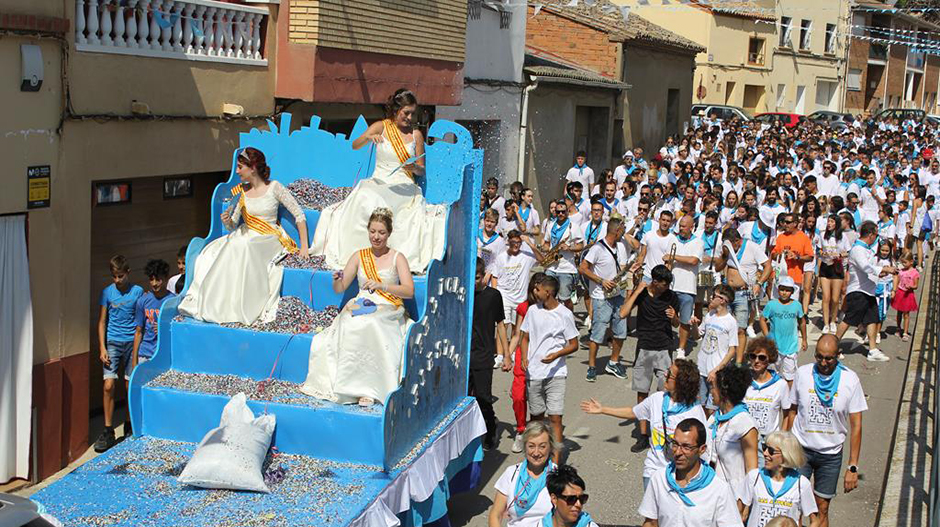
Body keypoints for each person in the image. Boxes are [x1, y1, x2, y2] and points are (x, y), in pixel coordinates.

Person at [311, 89, 447, 272]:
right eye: (406, 112)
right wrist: (369, 137)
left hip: (404, 184)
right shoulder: (381, 126)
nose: (409, 117)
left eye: (412, 113)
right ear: (396, 110)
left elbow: (422, 170)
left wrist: (413, 167)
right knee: (365, 197)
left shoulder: (416, 135)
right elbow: (355, 144)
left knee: (401, 209)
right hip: (379, 181)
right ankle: (358, 255)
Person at [179, 147, 309, 325]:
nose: (237, 171)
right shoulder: (241, 192)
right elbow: (233, 224)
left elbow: (299, 215)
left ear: (253, 167)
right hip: (245, 235)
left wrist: (304, 246)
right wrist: (226, 220)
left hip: (268, 238)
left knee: (243, 245)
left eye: (240, 167)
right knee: (222, 248)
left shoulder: (274, 187)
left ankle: (245, 307)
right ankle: (220, 305)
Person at [301, 208, 414, 406]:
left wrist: (382, 286)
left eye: (381, 232)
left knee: (372, 323)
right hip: (362, 303)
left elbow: (408, 291)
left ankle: (369, 389)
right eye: (373, 231)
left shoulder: (398, 257)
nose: (376, 237)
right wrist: (337, 280)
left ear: (389, 233)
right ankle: (347, 388)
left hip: (388, 305)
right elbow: (340, 288)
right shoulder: (359, 255)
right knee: (350, 321)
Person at [581, 359, 706, 490]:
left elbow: (702, 451)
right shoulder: (657, 399)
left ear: (681, 384)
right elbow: (633, 412)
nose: (665, 375)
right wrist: (603, 409)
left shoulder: (695, 413)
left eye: (670, 375)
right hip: (653, 470)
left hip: (680, 475)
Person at [784, 334, 867, 527]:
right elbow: (792, 411)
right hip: (800, 450)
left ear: (838, 355)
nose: (823, 362)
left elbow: (856, 425)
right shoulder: (802, 374)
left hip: (830, 455)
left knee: (822, 507)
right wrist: (784, 446)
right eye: (818, 356)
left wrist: (852, 466)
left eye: (828, 358)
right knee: (792, 504)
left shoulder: (850, 380)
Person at [619, 264, 681, 452]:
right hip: (645, 347)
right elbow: (623, 313)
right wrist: (637, 291)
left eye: (668, 284)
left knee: (665, 391)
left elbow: (678, 324)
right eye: (663, 285)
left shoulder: (672, 296)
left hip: (664, 348)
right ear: (654, 282)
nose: (667, 288)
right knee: (642, 391)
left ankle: (663, 432)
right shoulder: (644, 294)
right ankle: (643, 435)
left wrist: (674, 317)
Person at [638, 418, 744, 527]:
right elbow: (651, 522)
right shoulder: (659, 479)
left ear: (702, 449)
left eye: (686, 447)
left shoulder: (719, 490)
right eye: (675, 444)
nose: (678, 452)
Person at [520, 275, 579, 463]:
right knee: (536, 418)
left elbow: (574, 344)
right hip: (535, 373)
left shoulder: (564, 314)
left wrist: (556, 355)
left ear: (549, 292)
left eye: (538, 290)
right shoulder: (532, 311)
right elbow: (525, 337)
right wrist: (524, 357)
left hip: (556, 373)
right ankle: (536, 456)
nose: (534, 293)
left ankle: (555, 461)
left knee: (555, 418)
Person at [94, 255, 144, 453]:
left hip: (131, 343)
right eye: (114, 276)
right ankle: (108, 429)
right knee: (108, 385)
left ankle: (129, 425)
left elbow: (141, 319)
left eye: (121, 276)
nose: (117, 280)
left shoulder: (138, 292)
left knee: (129, 384)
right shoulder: (107, 292)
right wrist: (102, 347)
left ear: (128, 273)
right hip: (113, 343)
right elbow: (101, 321)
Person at [579, 216, 637, 381]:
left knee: (620, 332)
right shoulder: (597, 248)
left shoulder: (620, 247)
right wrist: (601, 281)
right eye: (623, 230)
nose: (625, 233)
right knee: (597, 334)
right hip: (601, 297)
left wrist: (630, 271)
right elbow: (583, 268)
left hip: (618, 295)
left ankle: (613, 362)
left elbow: (622, 268)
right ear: (617, 230)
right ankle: (591, 366)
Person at [834, 220, 897, 361]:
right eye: (875, 235)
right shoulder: (857, 249)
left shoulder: (866, 249)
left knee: (872, 319)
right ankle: (833, 345)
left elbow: (870, 269)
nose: (876, 238)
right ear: (870, 234)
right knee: (849, 319)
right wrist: (884, 269)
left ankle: (872, 350)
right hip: (858, 291)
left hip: (868, 290)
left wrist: (882, 272)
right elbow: (865, 267)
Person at [736, 431, 818, 527]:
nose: (765, 453)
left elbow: (815, 521)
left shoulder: (801, 484)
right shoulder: (754, 477)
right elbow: (737, 513)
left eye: (771, 450)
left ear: (786, 454)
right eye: (764, 448)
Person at [489, 421, 558, 527]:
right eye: (531, 446)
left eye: (542, 446)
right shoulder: (511, 473)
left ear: (550, 447)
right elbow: (495, 514)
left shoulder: (558, 475)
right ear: (524, 447)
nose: (536, 453)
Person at [507, 274, 547, 453]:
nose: (538, 292)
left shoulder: (551, 308)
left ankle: (535, 430)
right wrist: (507, 355)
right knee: (517, 396)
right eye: (535, 288)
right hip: (522, 356)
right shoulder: (523, 307)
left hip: (541, 358)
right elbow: (517, 334)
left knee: (537, 397)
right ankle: (521, 430)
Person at [471, 258, 508, 450]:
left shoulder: (493, 295)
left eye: (477, 277)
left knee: (483, 397)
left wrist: (507, 355)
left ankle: (491, 430)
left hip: (484, 355)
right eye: (471, 277)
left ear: (484, 275)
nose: (474, 281)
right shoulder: (464, 294)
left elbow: (501, 326)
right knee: (465, 398)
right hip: (464, 356)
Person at [707, 364, 760, 487]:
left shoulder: (745, 423)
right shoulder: (713, 418)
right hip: (710, 492)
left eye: (713, 387)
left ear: (723, 392)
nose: (711, 391)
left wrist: (744, 505)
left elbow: (752, 472)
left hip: (734, 496)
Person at [692, 284, 739, 414]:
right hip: (702, 368)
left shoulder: (731, 322)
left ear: (722, 300)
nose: (710, 298)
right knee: (699, 407)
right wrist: (695, 326)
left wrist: (716, 370)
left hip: (716, 372)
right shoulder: (710, 315)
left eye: (713, 296)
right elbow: (697, 336)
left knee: (712, 408)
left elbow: (732, 350)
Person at [759, 276, 806, 384]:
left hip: (791, 347)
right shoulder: (771, 305)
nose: (784, 292)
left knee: (790, 377)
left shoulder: (797, 305)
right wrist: (767, 337)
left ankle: (789, 398)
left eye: (788, 290)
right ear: (778, 289)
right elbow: (762, 320)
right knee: (771, 374)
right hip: (774, 347)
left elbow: (802, 322)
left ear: (792, 291)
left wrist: (804, 339)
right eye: (782, 289)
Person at [668, 216, 704, 357]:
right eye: (680, 225)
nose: (681, 228)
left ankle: (681, 349)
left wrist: (674, 256)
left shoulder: (698, 242)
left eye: (684, 226)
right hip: (671, 286)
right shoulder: (673, 239)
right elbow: (667, 260)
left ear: (691, 227)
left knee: (684, 321)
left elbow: (693, 260)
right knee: (668, 317)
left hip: (687, 288)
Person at [131, 259, 175, 370]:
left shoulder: (174, 301)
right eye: (151, 279)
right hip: (145, 353)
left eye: (158, 279)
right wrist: (134, 360)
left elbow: (178, 329)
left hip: (164, 354)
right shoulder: (143, 301)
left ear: (165, 278)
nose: (154, 283)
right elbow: (138, 332)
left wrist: (164, 328)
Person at [743, 338, 789, 441]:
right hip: (746, 440)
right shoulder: (743, 381)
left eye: (762, 358)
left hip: (769, 441)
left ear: (770, 359)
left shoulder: (781, 385)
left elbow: (787, 415)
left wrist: (781, 439)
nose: (756, 361)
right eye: (753, 356)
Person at [494, 230, 540, 335]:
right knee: (503, 326)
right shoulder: (501, 257)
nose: (516, 245)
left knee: (517, 329)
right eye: (513, 242)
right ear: (508, 242)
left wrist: (530, 244)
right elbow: (495, 276)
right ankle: (501, 352)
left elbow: (543, 260)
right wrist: (495, 294)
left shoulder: (527, 256)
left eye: (519, 242)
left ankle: (512, 350)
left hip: (520, 297)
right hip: (504, 296)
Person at [540, 203, 584, 311]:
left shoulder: (573, 227)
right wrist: (545, 249)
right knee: (548, 295)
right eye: (558, 211)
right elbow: (546, 243)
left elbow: (581, 245)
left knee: (565, 298)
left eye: (563, 211)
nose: (560, 214)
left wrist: (569, 248)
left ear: (567, 212)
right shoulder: (550, 226)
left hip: (566, 268)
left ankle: (569, 318)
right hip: (551, 266)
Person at [815, 215, 848, 334]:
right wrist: (822, 253)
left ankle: (833, 320)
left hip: (837, 267)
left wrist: (839, 256)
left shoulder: (843, 236)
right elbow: (818, 250)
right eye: (828, 221)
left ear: (837, 223)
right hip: (825, 267)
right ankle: (826, 323)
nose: (829, 224)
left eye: (832, 222)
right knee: (826, 297)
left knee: (835, 299)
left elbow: (847, 252)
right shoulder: (823, 235)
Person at [892, 249, 920, 341]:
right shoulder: (901, 271)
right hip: (900, 293)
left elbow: (916, 286)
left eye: (905, 262)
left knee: (906, 314)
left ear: (911, 262)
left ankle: (905, 332)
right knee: (899, 312)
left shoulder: (915, 273)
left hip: (908, 294)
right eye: (902, 262)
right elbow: (897, 280)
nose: (903, 264)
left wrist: (911, 286)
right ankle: (898, 328)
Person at [479, 208, 507, 285]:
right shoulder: (476, 235)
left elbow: (499, 261)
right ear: (484, 220)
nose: (489, 224)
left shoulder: (499, 241)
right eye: (487, 221)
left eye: (492, 222)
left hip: (488, 278)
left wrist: (489, 273)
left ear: (496, 223)